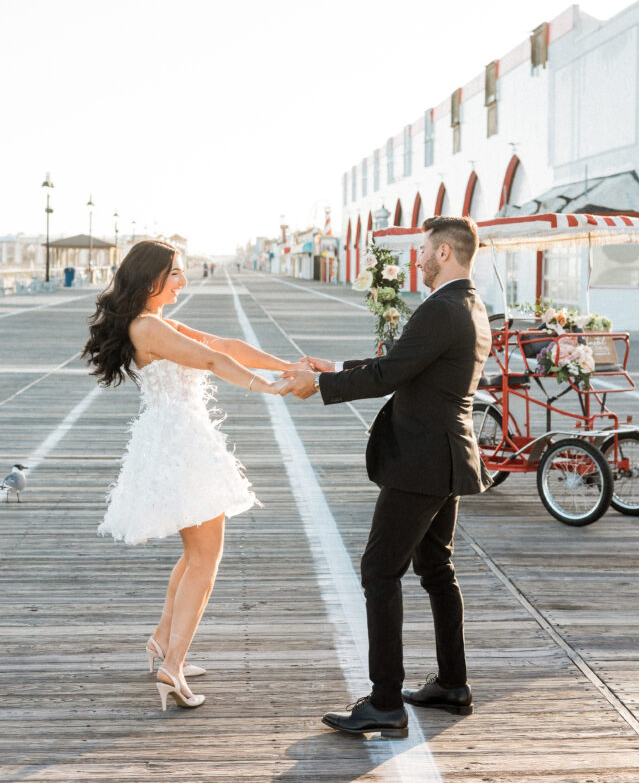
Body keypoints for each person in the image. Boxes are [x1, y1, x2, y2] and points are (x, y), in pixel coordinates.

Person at [282, 216, 492, 737]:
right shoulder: (470, 305)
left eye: (424, 249)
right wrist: (330, 365)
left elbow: (390, 374)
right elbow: (404, 363)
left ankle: (385, 703)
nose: (418, 258)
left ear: (443, 252)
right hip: (445, 457)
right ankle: (451, 683)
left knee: (380, 570)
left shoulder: (442, 308)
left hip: (421, 461)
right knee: (437, 569)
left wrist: (322, 386)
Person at [82, 240, 294, 711]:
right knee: (206, 558)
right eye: (175, 273)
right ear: (151, 277)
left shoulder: (152, 322)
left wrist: (288, 366)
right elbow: (213, 362)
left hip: (174, 439)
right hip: (181, 443)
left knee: (194, 552)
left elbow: (223, 346)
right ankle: (173, 666)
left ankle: (162, 641)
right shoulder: (149, 326)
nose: (182, 280)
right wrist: (272, 388)